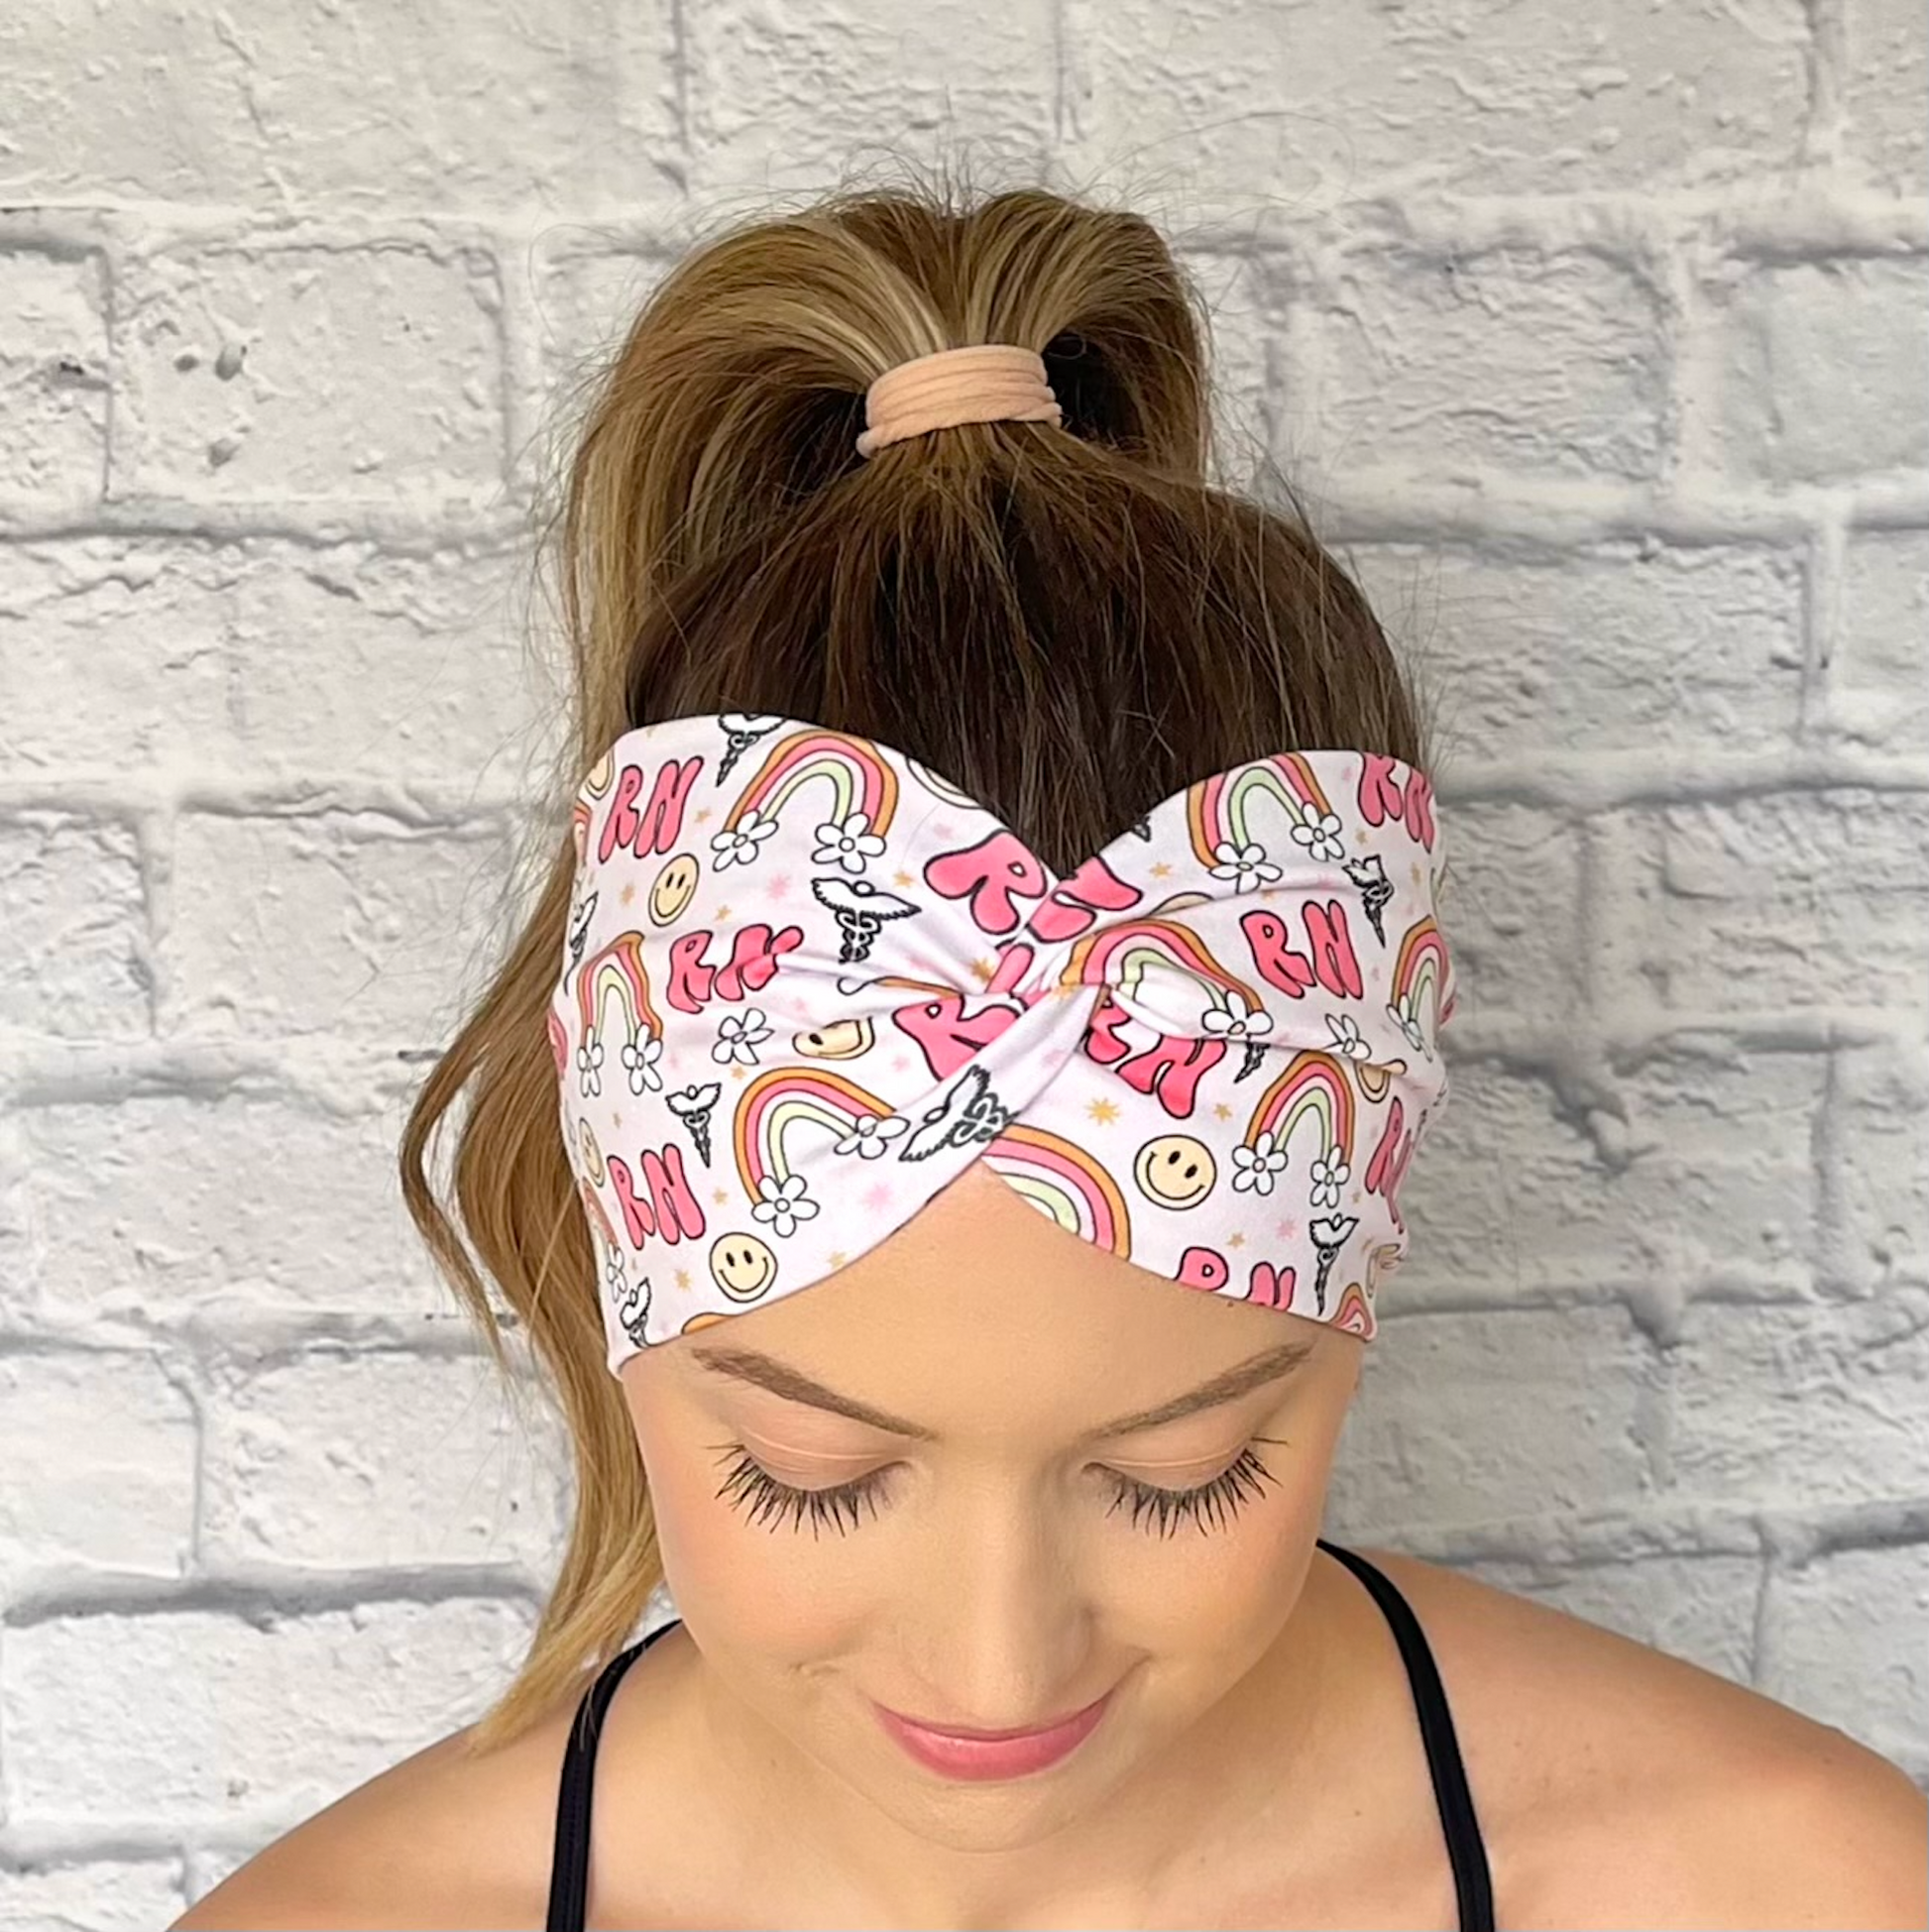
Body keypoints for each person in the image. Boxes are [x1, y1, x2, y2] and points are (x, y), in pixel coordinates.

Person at [174, 180, 1925, 1932]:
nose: (997, 1666)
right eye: (811, 1472)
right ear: (618, 1275)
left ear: (1360, 1278)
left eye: (1187, 1473)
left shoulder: (1789, 1888)